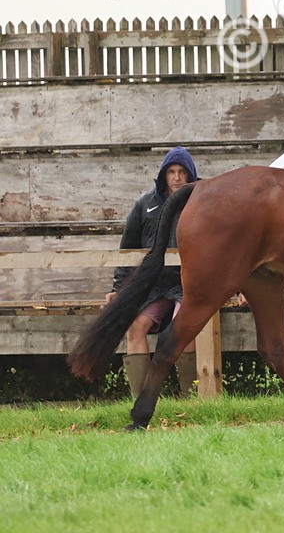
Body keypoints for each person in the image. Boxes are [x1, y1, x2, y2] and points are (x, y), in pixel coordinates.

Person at [108, 146, 200, 398]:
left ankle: (190, 398)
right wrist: (118, 288)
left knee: (184, 329)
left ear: (191, 174)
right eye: (171, 171)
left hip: (188, 284)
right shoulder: (145, 203)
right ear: (163, 175)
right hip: (155, 285)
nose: (177, 177)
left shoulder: (201, 200)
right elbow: (128, 248)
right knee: (135, 328)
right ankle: (144, 398)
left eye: (182, 171)